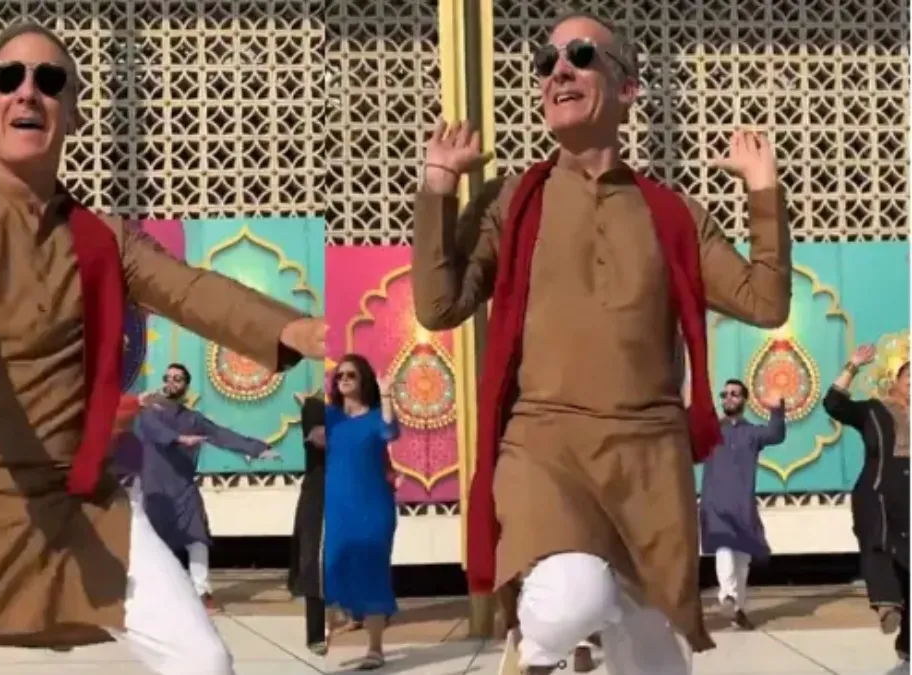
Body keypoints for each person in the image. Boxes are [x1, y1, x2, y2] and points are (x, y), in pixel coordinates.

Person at [0, 22, 324, 675]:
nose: (27, 92)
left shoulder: (104, 238)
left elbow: (190, 290)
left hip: (75, 501)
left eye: (49, 81)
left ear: (72, 113)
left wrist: (297, 331)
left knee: (203, 660)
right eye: (9, 78)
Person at [411, 11, 790, 674]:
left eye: (581, 56)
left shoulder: (673, 214)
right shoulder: (513, 201)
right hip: (546, 445)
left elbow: (765, 301)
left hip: (649, 462)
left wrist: (764, 191)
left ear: (628, 87)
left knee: (657, 663)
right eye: (547, 62)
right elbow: (439, 305)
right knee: (570, 600)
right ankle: (537, 643)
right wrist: (438, 189)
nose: (559, 70)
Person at [136, 363, 279, 611]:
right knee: (153, 543)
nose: (171, 382)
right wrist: (180, 439)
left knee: (197, 537)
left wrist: (258, 449)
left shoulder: (193, 418)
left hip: (184, 488)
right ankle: (151, 593)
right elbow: (156, 432)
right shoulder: (150, 412)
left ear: (186, 385)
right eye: (168, 377)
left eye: (178, 379)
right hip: (156, 489)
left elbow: (221, 435)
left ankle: (201, 591)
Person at [824, 344, 909, 663]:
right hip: (877, 491)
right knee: (877, 542)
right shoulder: (875, 410)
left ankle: (907, 642)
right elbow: (834, 404)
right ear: (896, 381)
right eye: (909, 377)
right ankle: (886, 603)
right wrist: (852, 366)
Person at [323, 355, 400, 670]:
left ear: (363, 380)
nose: (343, 379)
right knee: (332, 567)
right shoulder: (330, 417)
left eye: (351, 375)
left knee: (373, 572)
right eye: (339, 375)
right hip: (337, 508)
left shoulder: (375, 417)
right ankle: (325, 630)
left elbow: (390, 432)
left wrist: (386, 393)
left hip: (372, 507)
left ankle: (375, 649)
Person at [700, 378, 786, 630]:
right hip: (716, 503)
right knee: (724, 547)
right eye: (725, 394)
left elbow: (776, 434)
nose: (728, 398)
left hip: (742, 505)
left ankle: (737, 609)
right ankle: (726, 595)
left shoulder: (752, 433)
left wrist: (777, 410)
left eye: (734, 394)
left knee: (742, 560)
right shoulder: (711, 431)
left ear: (744, 400)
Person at [288, 390, 327, 655]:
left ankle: (358, 615)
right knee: (313, 560)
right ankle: (316, 633)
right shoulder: (316, 412)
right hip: (318, 494)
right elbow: (318, 437)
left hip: (348, 492)